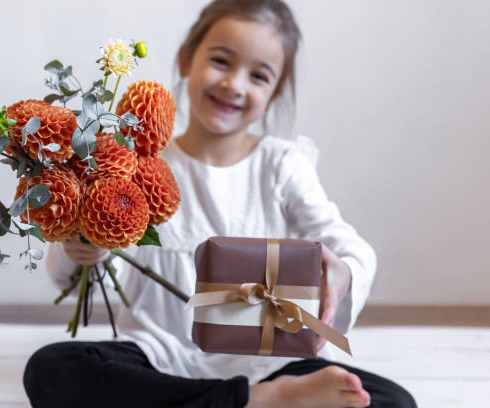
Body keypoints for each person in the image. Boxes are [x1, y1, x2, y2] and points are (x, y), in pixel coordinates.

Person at [23, 1, 417, 407]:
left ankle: (237, 399)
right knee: (50, 368)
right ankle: (257, 402)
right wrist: (85, 247)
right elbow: (96, 277)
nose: (234, 84)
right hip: (160, 356)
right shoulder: (135, 167)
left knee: (392, 401)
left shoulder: (283, 167)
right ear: (186, 58)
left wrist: (342, 272)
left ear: (274, 91)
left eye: (258, 75)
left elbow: (348, 246)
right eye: (220, 61)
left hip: (272, 361)